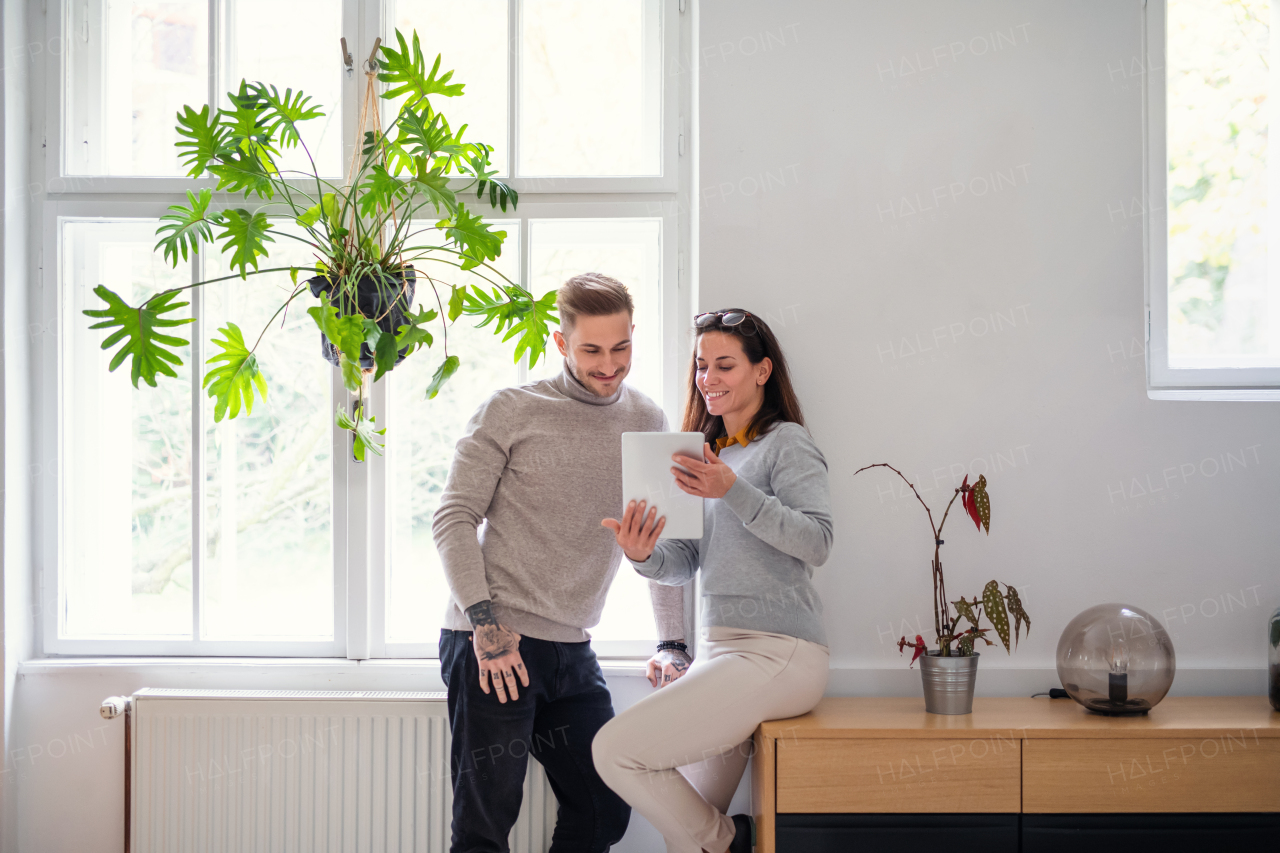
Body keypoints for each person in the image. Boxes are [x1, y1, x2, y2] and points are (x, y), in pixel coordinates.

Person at [432, 273, 694, 853]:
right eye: (592, 350)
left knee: (604, 808)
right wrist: (484, 626)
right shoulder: (511, 410)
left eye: (621, 347)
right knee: (485, 825)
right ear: (561, 343)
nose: (609, 365)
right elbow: (452, 518)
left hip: (572, 650)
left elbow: (661, 541)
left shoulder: (648, 422)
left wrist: (672, 642)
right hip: (493, 642)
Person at [595, 309, 833, 853]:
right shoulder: (708, 456)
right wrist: (643, 555)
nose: (708, 378)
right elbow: (686, 562)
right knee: (685, 837)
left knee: (613, 751)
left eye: (725, 364)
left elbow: (817, 542)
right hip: (722, 653)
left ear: (763, 371)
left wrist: (734, 490)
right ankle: (722, 840)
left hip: (780, 653)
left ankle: (730, 841)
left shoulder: (786, 443)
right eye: (702, 366)